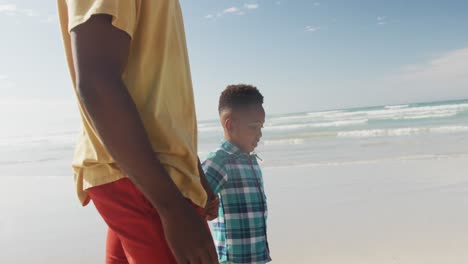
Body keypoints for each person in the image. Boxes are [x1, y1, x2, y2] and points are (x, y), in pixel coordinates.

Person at [57, 1, 218, 263]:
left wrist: (194, 171)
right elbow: (97, 81)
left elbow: (161, 101)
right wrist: (172, 208)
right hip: (146, 179)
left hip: (148, 174)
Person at [203, 84, 272, 264]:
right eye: (254, 127)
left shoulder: (251, 161)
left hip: (257, 258)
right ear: (231, 124)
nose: (259, 134)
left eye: (261, 127)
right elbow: (193, 205)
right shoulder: (219, 162)